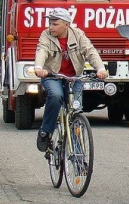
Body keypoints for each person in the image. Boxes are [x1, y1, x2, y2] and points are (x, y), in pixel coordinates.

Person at [33, 8, 108, 152]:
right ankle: (45, 131)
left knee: (75, 109)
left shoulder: (78, 35)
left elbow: (90, 51)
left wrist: (100, 69)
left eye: (55, 24)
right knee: (56, 96)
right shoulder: (46, 35)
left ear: (66, 24)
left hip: (74, 78)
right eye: (50, 23)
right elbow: (41, 50)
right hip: (53, 76)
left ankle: (78, 152)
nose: (50, 27)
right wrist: (38, 67)